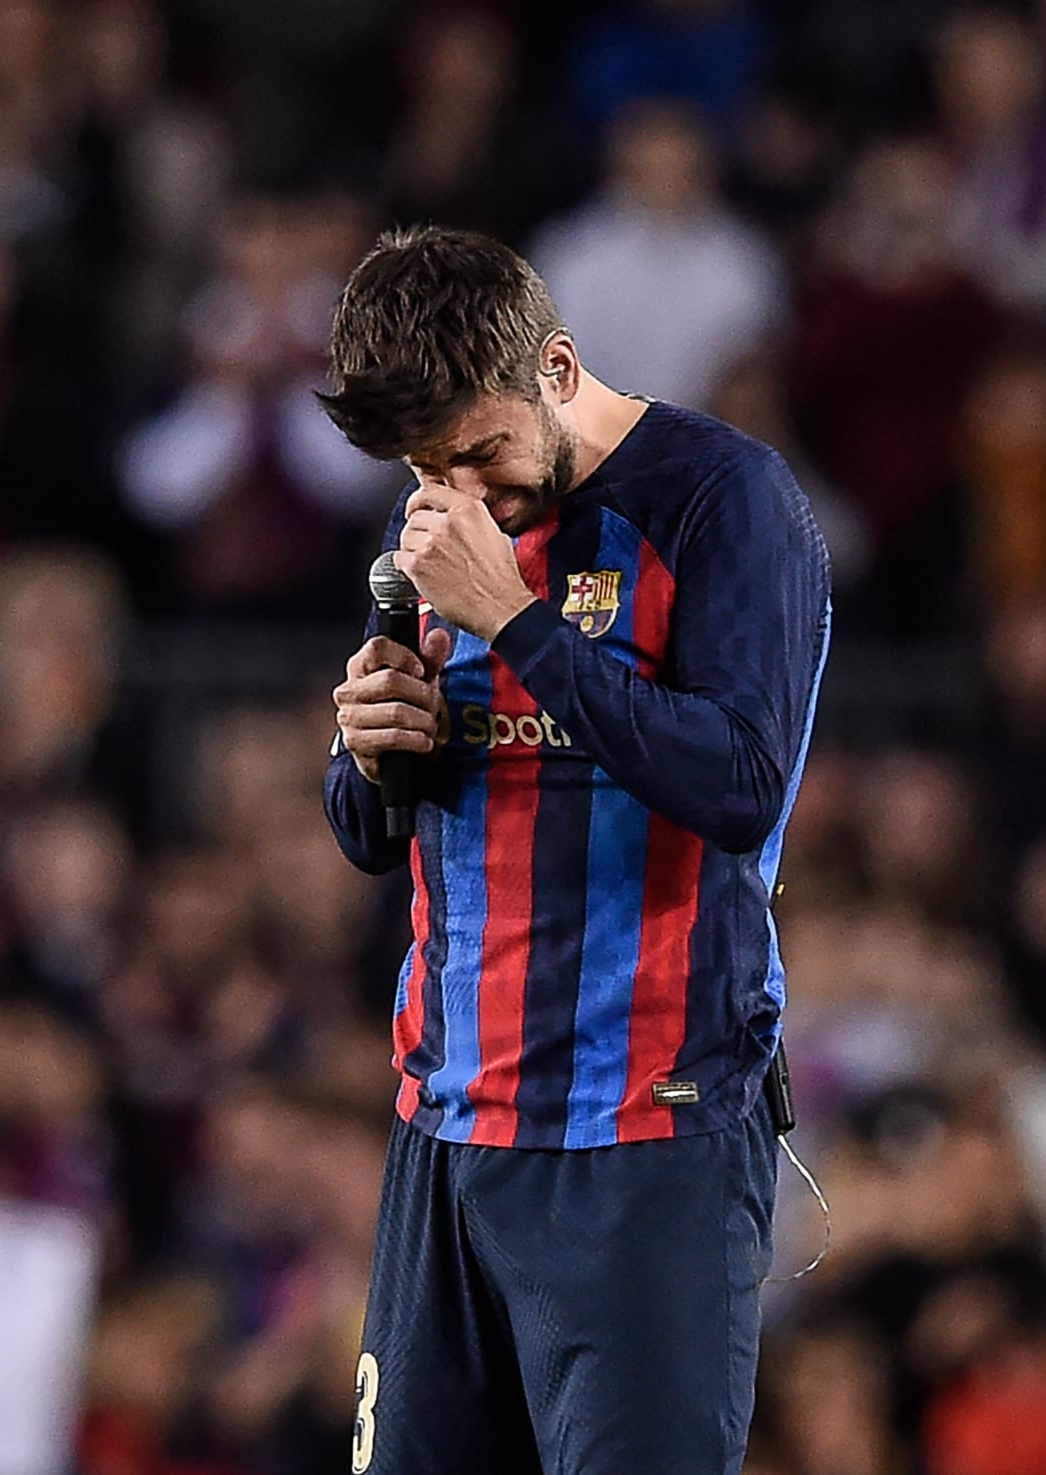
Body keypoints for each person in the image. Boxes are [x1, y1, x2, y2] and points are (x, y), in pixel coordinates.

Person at [318, 226, 831, 1475]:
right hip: (448, 1132)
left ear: (555, 365)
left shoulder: (723, 501)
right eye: (430, 469)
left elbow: (742, 783)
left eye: (484, 453)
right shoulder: (437, 511)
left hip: (647, 1140)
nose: (465, 496)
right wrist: (376, 755)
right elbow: (380, 836)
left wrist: (519, 619)